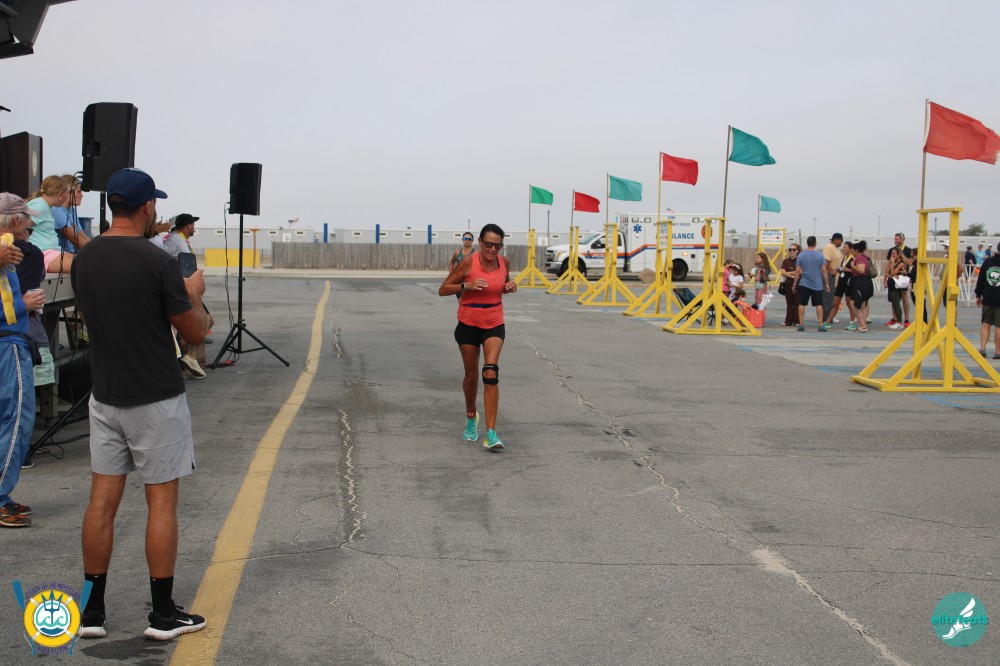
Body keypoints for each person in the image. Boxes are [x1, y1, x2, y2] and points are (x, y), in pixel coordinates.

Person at [71, 168, 210, 641]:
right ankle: (163, 615)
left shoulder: (85, 259)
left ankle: (91, 613)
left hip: (106, 394)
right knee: (162, 501)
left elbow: (91, 317)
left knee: (101, 501)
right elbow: (194, 333)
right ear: (148, 207)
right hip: (155, 396)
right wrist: (193, 296)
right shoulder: (157, 261)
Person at [438, 223, 517, 451]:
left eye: (498, 245)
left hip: (494, 324)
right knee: (471, 377)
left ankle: (491, 433)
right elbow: (443, 289)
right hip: (468, 325)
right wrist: (467, 285)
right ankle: (471, 417)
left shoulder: (504, 262)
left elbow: (501, 286)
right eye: (489, 244)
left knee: (490, 372)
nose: (493, 249)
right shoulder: (467, 262)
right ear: (480, 242)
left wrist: (508, 288)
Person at [0, 193, 43, 528]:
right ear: (14, 220)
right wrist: (24, 305)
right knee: (17, 418)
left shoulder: (8, 252)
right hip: (7, 342)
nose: (30, 225)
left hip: (9, 339)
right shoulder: (5, 251)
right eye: (26, 219)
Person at [26, 175, 73, 273]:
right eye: (68, 192)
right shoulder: (39, 206)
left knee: (86, 261)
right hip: (44, 254)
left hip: (50, 252)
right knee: (84, 264)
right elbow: (21, 226)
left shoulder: (44, 205)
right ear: (60, 194)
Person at [792, 235, 829, 332]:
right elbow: (824, 270)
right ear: (815, 243)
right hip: (817, 284)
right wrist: (827, 283)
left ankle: (801, 325)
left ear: (807, 243)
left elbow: (797, 271)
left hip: (804, 283)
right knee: (819, 304)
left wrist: (794, 284)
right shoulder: (820, 255)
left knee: (801, 303)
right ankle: (820, 325)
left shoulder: (801, 255)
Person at [52, 174, 90, 255]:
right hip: (58, 254)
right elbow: (76, 240)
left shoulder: (72, 210)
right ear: (68, 192)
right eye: (79, 191)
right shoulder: (56, 210)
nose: (82, 195)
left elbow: (82, 236)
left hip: (69, 253)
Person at [975, 243, 1000, 359]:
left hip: (988, 297)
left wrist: (978, 295)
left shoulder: (988, 262)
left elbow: (981, 279)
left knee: (986, 324)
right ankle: (998, 351)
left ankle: (983, 348)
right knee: (999, 327)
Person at [888, 233, 914, 327]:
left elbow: (910, 263)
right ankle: (895, 318)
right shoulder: (892, 250)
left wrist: (901, 254)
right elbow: (888, 263)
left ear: (902, 240)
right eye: (895, 239)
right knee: (894, 298)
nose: (896, 241)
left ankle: (906, 318)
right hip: (893, 278)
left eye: (897, 239)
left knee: (904, 297)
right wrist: (885, 279)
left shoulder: (908, 250)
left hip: (903, 278)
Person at [848, 240, 874, 333]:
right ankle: (863, 324)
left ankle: (862, 325)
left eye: (852, 251)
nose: (851, 253)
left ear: (856, 250)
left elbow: (861, 270)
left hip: (861, 282)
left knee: (855, 304)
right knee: (861, 304)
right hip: (861, 282)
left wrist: (852, 265)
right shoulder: (863, 257)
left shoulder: (860, 258)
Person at [820, 233, 844, 328]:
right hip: (829, 276)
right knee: (827, 298)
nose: (841, 242)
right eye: (841, 240)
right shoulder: (829, 248)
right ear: (837, 239)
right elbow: (826, 262)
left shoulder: (835, 249)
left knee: (832, 298)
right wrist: (831, 271)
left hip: (836, 277)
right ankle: (825, 318)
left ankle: (829, 317)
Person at [779, 244, 799, 326]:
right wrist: (791, 275)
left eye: (794, 249)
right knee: (789, 303)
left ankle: (797, 321)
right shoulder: (785, 261)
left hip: (798, 284)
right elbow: (783, 272)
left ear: (797, 251)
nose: (792, 251)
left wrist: (788, 273)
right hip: (788, 284)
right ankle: (788, 321)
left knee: (797, 303)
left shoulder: (799, 260)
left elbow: (799, 271)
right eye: (790, 249)